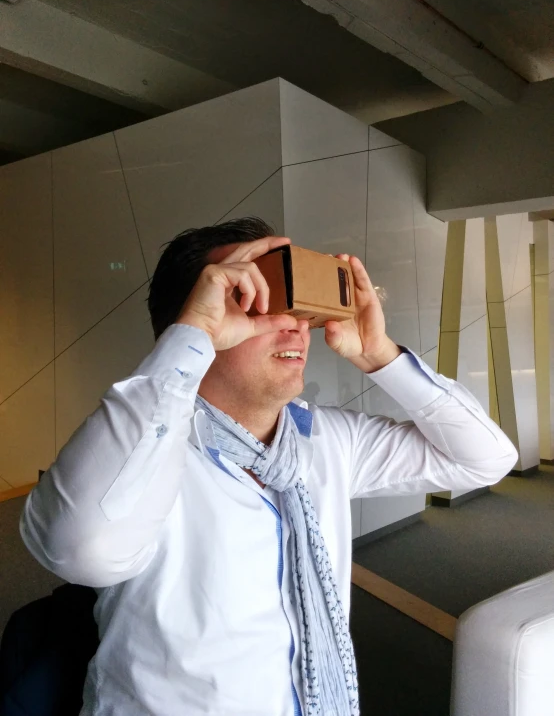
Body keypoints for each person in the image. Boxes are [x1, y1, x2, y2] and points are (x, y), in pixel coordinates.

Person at [20, 217, 518, 716]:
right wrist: (188, 339)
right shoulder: (142, 454)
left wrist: (378, 354)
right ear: (196, 319)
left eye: (296, 304)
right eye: (253, 298)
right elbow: (81, 549)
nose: (295, 324)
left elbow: (486, 457)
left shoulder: (323, 441)